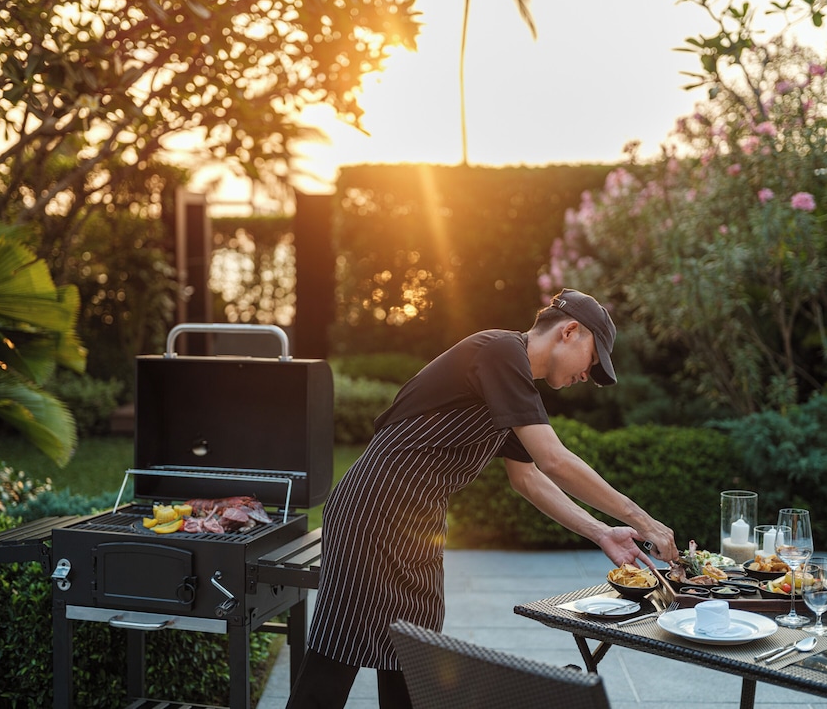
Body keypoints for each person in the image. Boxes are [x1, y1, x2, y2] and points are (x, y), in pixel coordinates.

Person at [286, 289, 677, 709]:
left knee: (411, 661)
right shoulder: (502, 352)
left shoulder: (515, 381)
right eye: (593, 360)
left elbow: (527, 478)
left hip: (418, 522)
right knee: (335, 659)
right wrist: (645, 521)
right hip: (374, 509)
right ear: (570, 331)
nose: (589, 374)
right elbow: (553, 460)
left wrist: (601, 533)